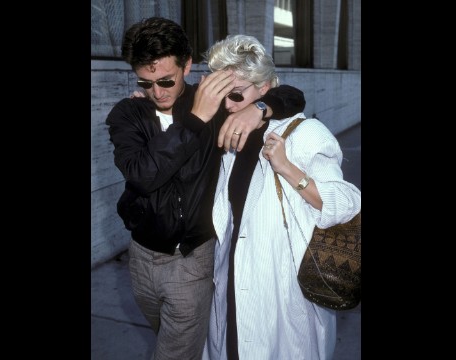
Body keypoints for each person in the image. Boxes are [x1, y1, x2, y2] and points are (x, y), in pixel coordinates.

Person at [105, 17, 306, 360]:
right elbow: (141, 175)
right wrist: (193, 121)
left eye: (166, 80)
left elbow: (290, 94)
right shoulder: (129, 113)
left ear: (187, 65)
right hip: (141, 258)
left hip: (191, 260)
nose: (158, 92)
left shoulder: (213, 103)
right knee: (172, 341)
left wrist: (258, 108)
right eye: (146, 82)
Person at [202, 35, 362, 360]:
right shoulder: (229, 134)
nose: (228, 105)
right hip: (232, 277)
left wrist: (288, 168)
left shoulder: (305, 134)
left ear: (265, 88)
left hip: (282, 285)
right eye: (222, 95)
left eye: (236, 94)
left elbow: (347, 202)